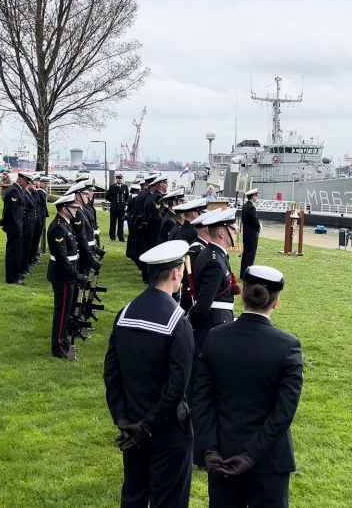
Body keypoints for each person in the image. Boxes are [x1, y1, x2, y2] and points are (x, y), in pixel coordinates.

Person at [194, 265, 303, 508]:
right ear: (275, 303)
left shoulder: (215, 337)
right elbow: (284, 412)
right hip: (269, 459)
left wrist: (209, 449)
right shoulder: (288, 347)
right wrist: (252, 454)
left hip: (221, 455)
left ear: (242, 295)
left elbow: (201, 400)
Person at [103, 240, 196, 508]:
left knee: (133, 497)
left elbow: (111, 372)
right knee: (169, 500)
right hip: (167, 430)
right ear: (177, 273)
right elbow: (177, 387)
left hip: (131, 425)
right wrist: (148, 426)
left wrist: (123, 418)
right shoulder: (178, 323)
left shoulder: (124, 314)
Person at [187, 208, 238, 401]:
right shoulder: (214, 261)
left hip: (216, 319)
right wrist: (191, 326)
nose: (236, 233)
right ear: (223, 232)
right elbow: (204, 304)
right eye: (233, 229)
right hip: (212, 323)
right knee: (205, 372)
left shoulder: (216, 255)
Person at [47, 194, 87, 360]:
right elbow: (62, 258)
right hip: (63, 276)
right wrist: (76, 275)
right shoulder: (58, 227)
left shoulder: (66, 224)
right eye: (73, 208)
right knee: (62, 312)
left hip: (68, 275)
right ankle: (58, 346)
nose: (76, 210)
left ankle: (63, 341)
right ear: (64, 208)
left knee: (66, 311)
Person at [0, 172, 29, 285]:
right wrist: (5, 222)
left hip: (18, 226)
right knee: (13, 252)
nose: (27, 185)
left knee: (17, 252)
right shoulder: (14, 191)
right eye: (27, 182)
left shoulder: (17, 190)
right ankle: (12, 277)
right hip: (15, 226)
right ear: (21, 180)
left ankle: (15, 275)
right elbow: (9, 210)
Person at [240, 189, 261, 279]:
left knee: (245, 254)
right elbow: (255, 222)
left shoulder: (245, 206)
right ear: (253, 196)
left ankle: (242, 273)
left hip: (246, 234)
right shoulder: (251, 207)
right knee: (250, 255)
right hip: (252, 234)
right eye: (256, 196)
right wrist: (259, 226)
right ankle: (247, 274)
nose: (257, 197)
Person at [19, 174, 37, 276]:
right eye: (30, 183)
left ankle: (25, 267)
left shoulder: (28, 194)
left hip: (31, 223)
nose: (32, 185)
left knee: (28, 246)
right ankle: (23, 268)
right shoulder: (24, 195)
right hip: (27, 224)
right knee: (25, 247)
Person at [106, 173, 129, 242]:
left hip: (121, 208)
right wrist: (113, 201)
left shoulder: (125, 187)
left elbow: (127, 196)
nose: (119, 179)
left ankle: (121, 237)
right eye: (118, 178)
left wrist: (125, 204)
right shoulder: (112, 187)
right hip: (114, 207)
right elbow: (107, 196)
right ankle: (112, 236)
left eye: (120, 178)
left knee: (121, 223)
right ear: (116, 179)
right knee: (112, 222)